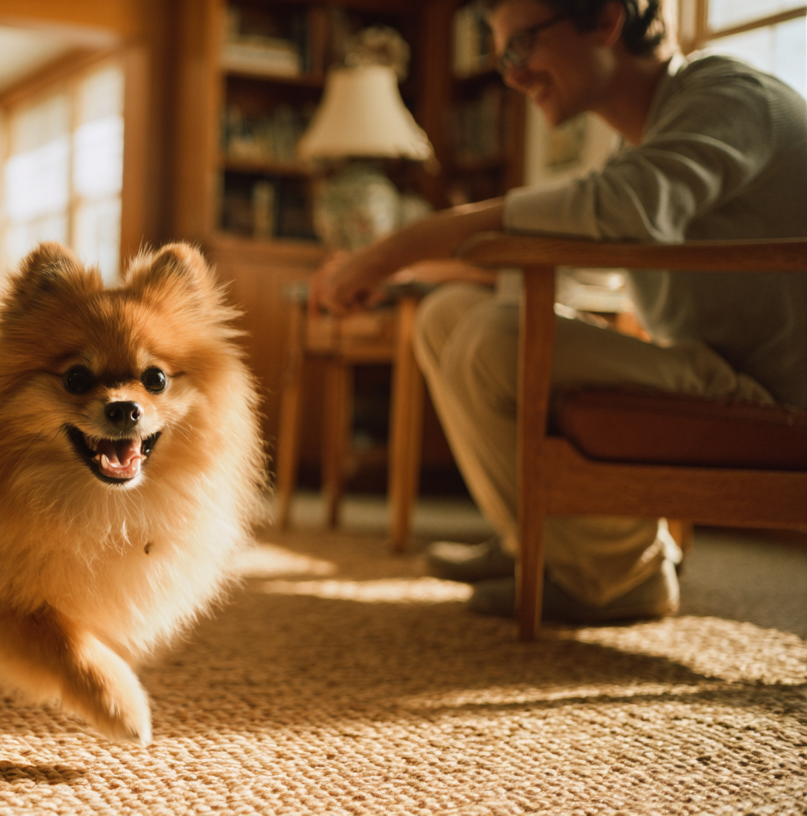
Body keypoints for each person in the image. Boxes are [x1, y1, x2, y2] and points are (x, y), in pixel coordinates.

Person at [309, 0, 807, 623]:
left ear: (603, 19)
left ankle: (617, 576)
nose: (512, 75)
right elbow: (574, 258)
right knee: (448, 314)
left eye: (521, 48)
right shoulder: (650, 143)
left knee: (496, 336)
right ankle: (538, 540)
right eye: (501, 58)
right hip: (712, 373)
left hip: (778, 403)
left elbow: (620, 211)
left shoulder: (731, 94)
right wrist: (396, 269)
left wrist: (400, 246)